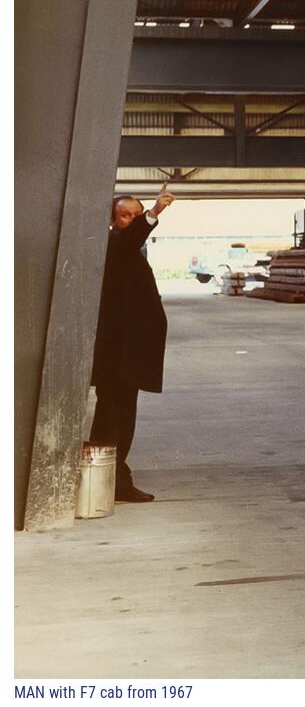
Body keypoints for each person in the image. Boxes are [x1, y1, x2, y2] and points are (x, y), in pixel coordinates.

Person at [90, 188, 174, 503]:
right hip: (118, 356)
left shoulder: (127, 249)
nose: (134, 220)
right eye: (127, 215)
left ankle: (113, 479)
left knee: (121, 417)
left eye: (137, 215)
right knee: (114, 418)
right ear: (112, 221)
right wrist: (153, 214)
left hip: (128, 355)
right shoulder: (114, 244)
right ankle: (112, 481)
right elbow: (129, 240)